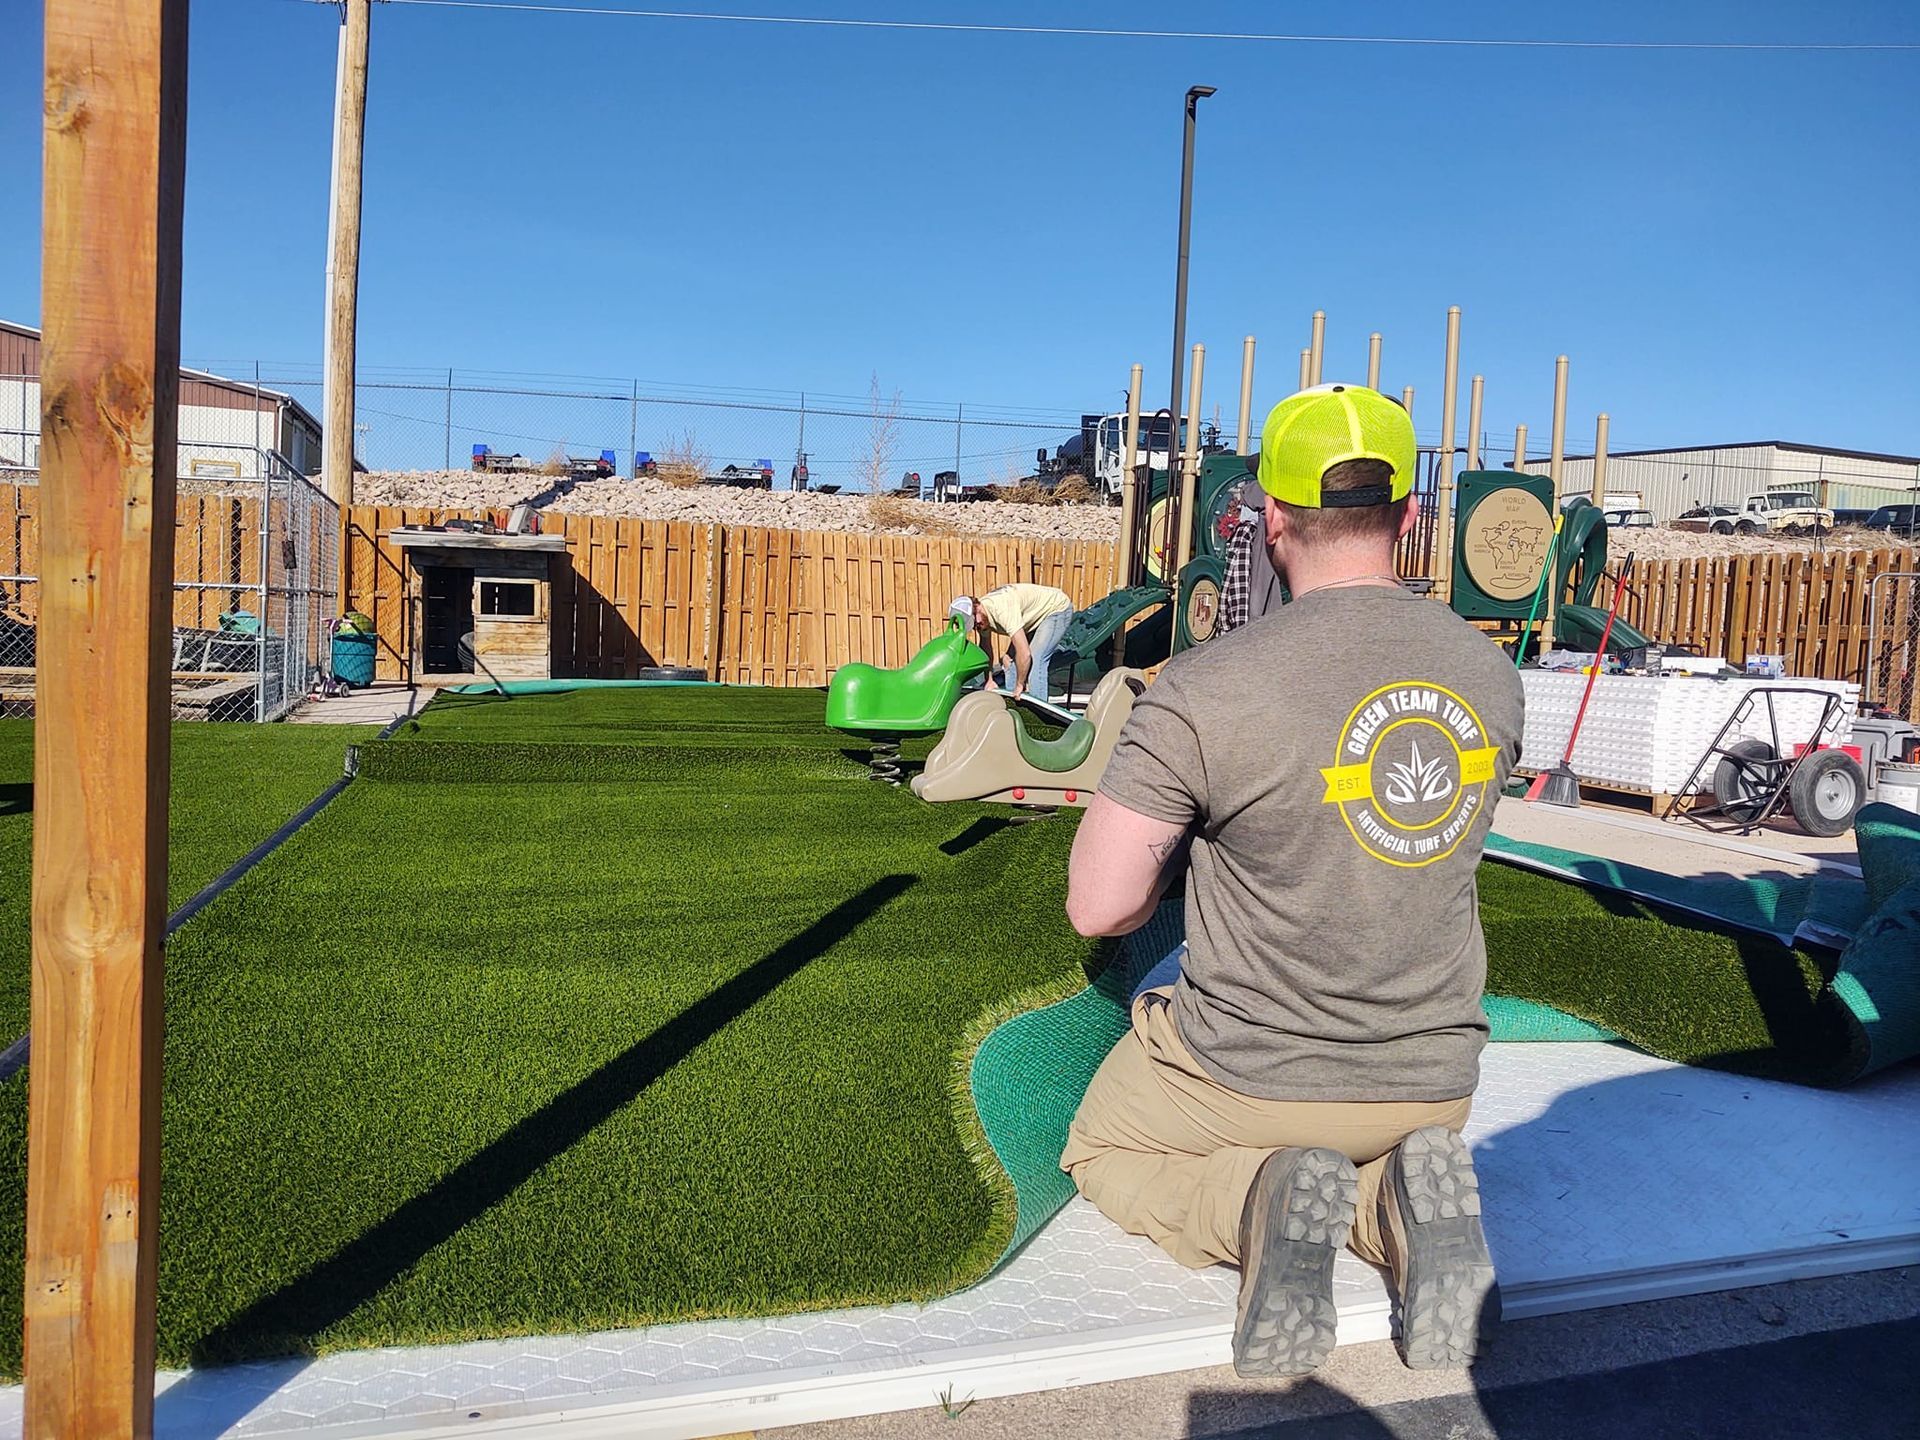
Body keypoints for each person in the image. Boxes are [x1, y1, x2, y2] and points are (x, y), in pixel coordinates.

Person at [1059, 382, 1525, 1379]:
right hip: (1430, 1086)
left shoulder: (1203, 687)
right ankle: (1387, 1206)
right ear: (1407, 515)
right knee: (1385, 1144)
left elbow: (1100, 905)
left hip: (1248, 1080)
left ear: (1270, 517)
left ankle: (1260, 1197)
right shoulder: (1489, 676)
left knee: (1102, 1151)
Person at [951, 583, 1073, 702]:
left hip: (1055, 609)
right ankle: (1013, 708)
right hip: (1031, 618)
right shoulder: (981, 618)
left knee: (1036, 660)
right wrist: (989, 680)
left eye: (975, 622)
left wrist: (1020, 684)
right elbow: (985, 649)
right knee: (1007, 661)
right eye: (972, 625)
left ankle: (1041, 715)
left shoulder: (1002, 609)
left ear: (977, 606)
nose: (976, 625)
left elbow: (1025, 654)